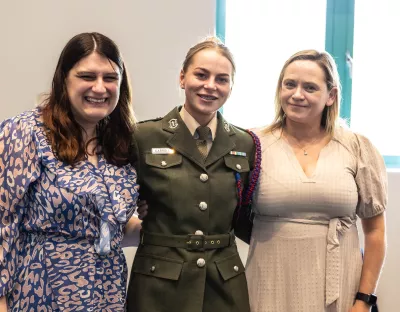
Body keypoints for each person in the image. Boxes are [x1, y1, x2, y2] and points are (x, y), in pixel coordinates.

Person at [0, 32, 142, 311]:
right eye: (87, 76)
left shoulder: (123, 145)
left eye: (110, 78)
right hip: (41, 293)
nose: (100, 88)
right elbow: (2, 225)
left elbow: (107, 229)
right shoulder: (24, 133)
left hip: (107, 295)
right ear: (64, 79)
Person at [245, 50, 387, 312]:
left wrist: (364, 301)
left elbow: (375, 232)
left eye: (310, 87)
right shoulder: (253, 143)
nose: (297, 94)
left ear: (331, 96)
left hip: (340, 291)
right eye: (290, 84)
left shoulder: (357, 147)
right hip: (269, 287)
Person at [126, 37, 259, 312]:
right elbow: (117, 201)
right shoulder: (143, 137)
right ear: (182, 77)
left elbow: (247, 213)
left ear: (231, 87)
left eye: (222, 79)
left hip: (224, 285)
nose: (210, 86)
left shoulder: (245, 143)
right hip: (159, 284)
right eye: (201, 75)